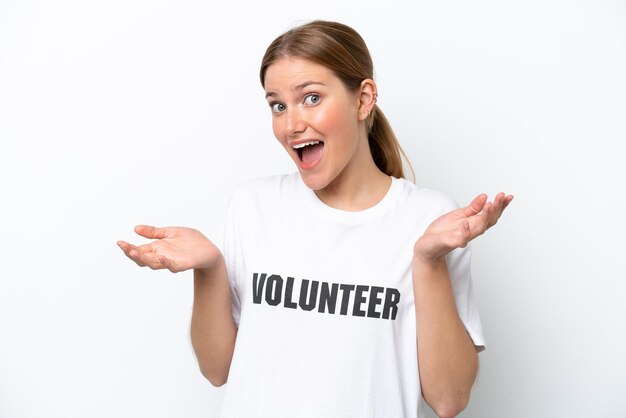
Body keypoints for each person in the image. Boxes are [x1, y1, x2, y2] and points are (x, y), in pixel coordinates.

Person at [117, 20, 512, 418]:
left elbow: (449, 399)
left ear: (363, 99)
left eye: (310, 98)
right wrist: (209, 268)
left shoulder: (428, 219)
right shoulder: (252, 206)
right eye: (278, 105)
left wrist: (427, 262)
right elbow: (217, 370)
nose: (291, 125)